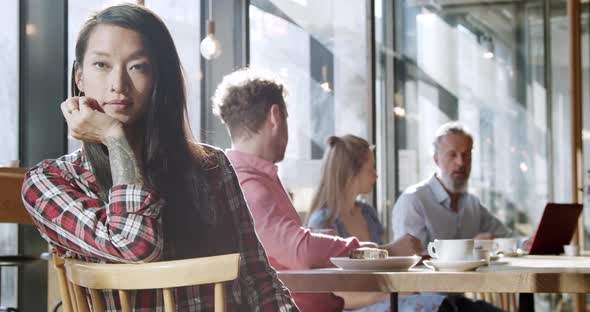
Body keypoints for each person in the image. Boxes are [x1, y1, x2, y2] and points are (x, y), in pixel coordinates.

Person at [21, 4, 297, 311]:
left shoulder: (211, 167)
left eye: (137, 66)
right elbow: (135, 245)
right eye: (101, 65)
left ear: (158, 78)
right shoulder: (49, 182)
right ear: (79, 77)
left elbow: (258, 280)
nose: (118, 85)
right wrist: (115, 139)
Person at [211, 68, 422, 312]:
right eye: (287, 118)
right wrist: (381, 252)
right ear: (275, 116)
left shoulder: (254, 180)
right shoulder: (248, 187)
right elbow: (301, 250)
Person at [306, 135, 446, 312]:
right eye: (371, 169)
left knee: (446, 304)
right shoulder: (322, 222)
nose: (376, 175)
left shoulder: (367, 213)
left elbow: (379, 271)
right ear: (351, 173)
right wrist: (388, 295)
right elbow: (334, 296)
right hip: (356, 307)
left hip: (383, 301)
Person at [392, 122, 511, 250]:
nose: (461, 163)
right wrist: (470, 248)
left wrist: (526, 242)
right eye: (452, 155)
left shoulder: (472, 203)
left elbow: (505, 237)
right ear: (436, 159)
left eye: (466, 155)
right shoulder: (414, 201)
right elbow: (411, 257)